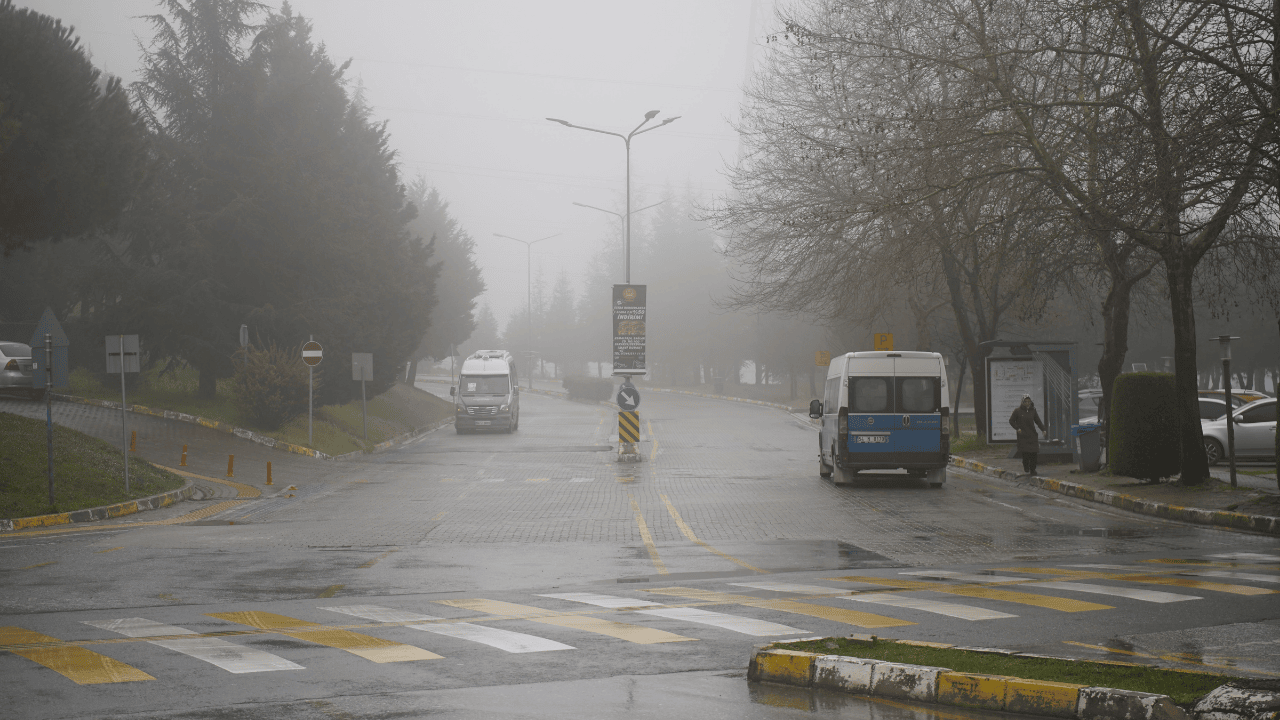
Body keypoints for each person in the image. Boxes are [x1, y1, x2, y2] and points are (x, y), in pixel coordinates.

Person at [1009, 394, 1047, 476]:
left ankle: (1033, 470)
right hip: (1023, 436)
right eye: (1025, 401)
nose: (1027, 403)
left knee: (1034, 453)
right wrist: (1017, 428)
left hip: (1032, 435)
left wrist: (1043, 429)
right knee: (1026, 454)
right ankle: (1026, 465)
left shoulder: (1033, 410)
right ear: (1022, 402)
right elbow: (1011, 421)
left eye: (1029, 401)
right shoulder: (1017, 411)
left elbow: (1038, 421)